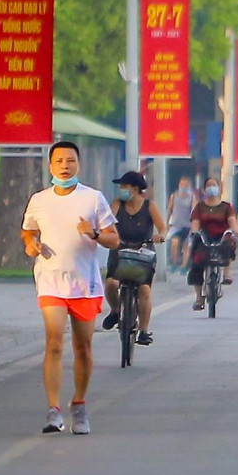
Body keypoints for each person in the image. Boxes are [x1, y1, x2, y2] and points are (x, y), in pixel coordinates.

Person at [22, 141, 119, 435]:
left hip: (84, 283)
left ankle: (79, 404)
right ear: (50, 166)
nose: (65, 166)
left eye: (71, 161)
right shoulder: (39, 199)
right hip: (51, 279)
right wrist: (31, 244)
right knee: (53, 342)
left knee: (83, 347)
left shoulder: (93, 199)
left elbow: (113, 239)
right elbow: (27, 231)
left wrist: (92, 233)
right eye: (60, 161)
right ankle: (53, 410)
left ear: (79, 165)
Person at [102, 170, 167, 345]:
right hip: (120, 250)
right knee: (111, 283)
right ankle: (116, 310)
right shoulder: (117, 204)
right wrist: (110, 233)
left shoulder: (149, 206)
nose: (121, 190)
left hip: (143, 252)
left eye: (125, 186)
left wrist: (160, 235)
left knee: (144, 289)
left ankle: (144, 330)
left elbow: (162, 227)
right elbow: (108, 222)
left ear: (136, 188)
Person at [187, 176, 238, 311]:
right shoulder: (200, 207)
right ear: (204, 190)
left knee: (228, 242)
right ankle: (199, 297)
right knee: (197, 261)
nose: (211, 188)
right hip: (205, 236)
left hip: (221, 236)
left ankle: (227, 272)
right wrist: (194, 233)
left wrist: (235, 230)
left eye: (214, 185)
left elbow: (232, 222)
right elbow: (195, 223)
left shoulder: (226, 207)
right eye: (209, 185)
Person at [165, 176, 196, 274]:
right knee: (174, 244)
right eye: (182, 184)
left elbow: (194, 211)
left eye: (186, 185)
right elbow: (169, 209)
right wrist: (166, 223)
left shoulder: (192, 197)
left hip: (187, 225)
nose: (184, 187)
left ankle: (183, 267)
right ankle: (174, 263)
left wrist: (194, 225)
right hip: (175, 224)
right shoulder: (174, 196)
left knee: (186, 246)